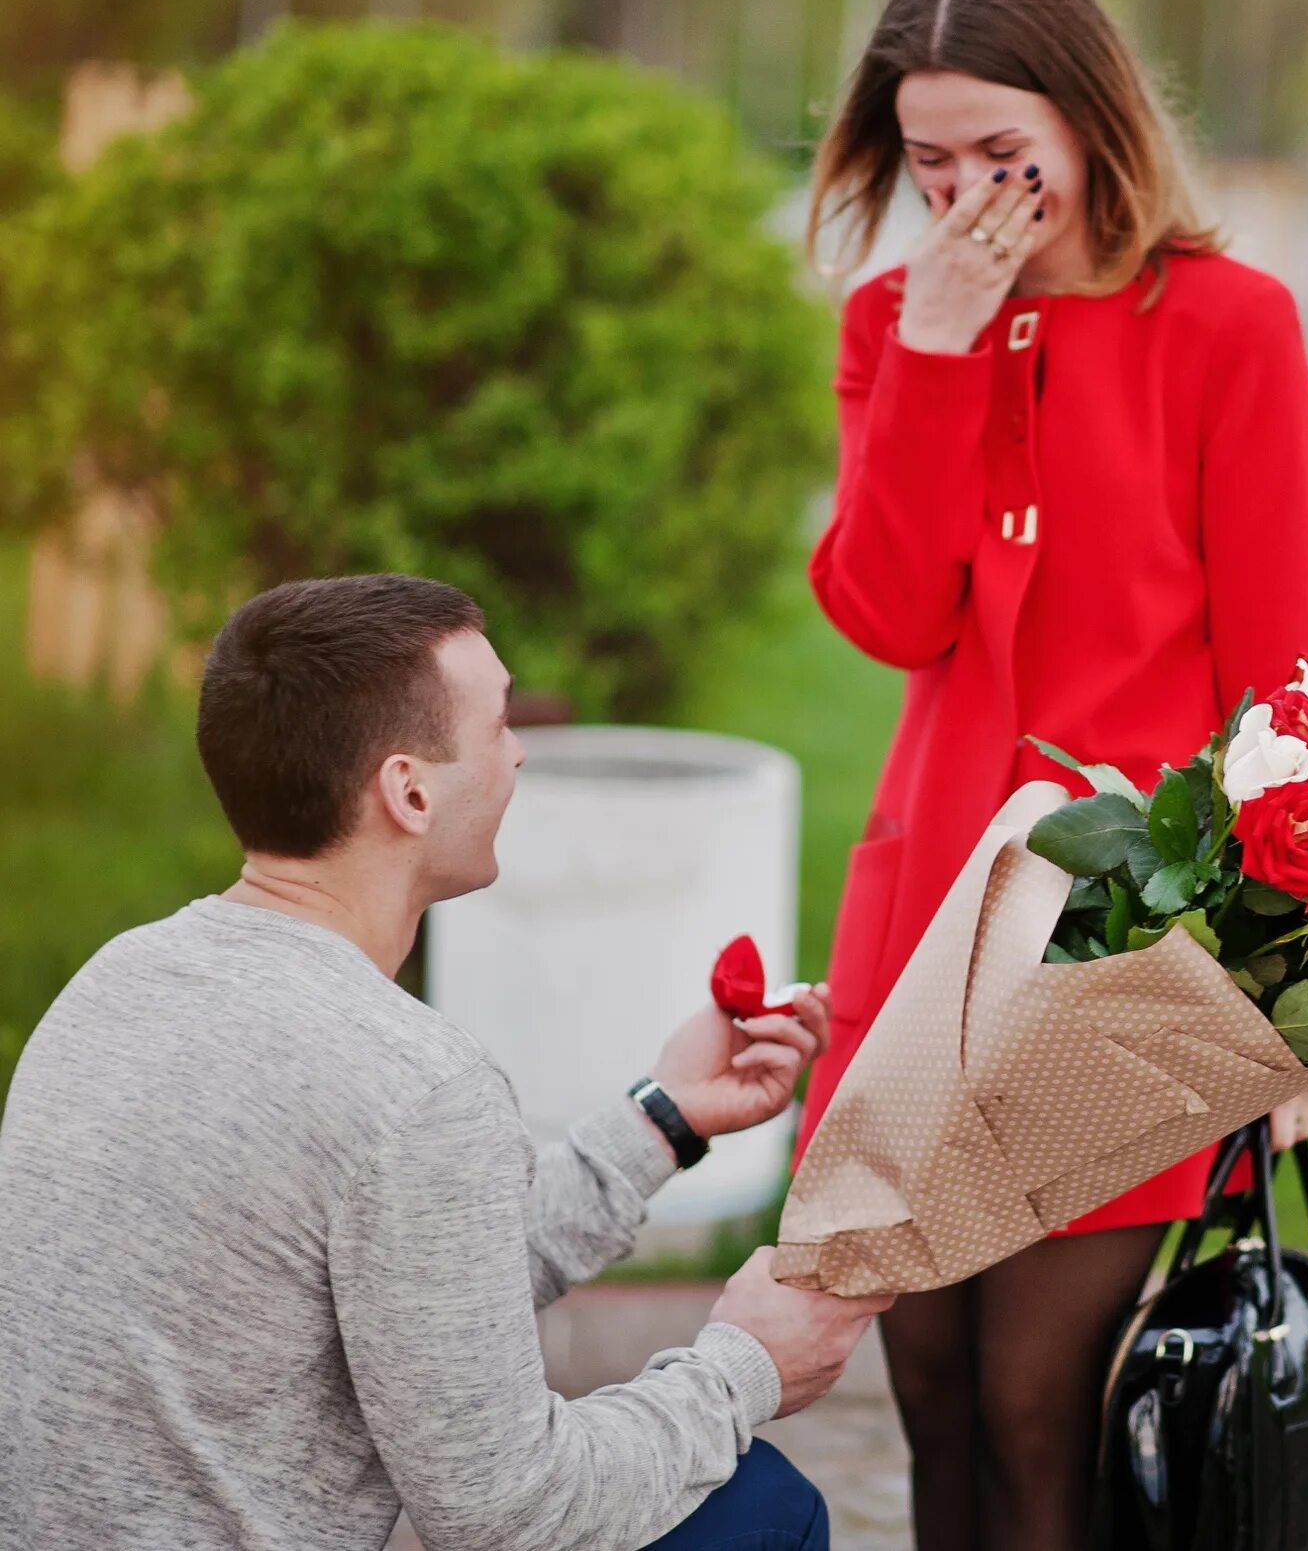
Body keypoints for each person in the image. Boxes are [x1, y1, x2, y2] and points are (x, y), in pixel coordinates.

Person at [797, 0, 1308, 1549]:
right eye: (926, 159)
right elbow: (887, 612)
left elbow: (1292, 672)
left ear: (1088, 123)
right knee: (932, 1404)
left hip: (1130, 940)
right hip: (921, 937)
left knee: (1042, 1406)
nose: (965, 195)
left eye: (1000, 153)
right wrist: (938, 358)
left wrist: (1293, 984)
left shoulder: (1226, 323)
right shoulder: (897, 324)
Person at [0, 573, 890, 1551]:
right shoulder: (409, 1084)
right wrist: (746, 1364)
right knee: (755, 1506)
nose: (516, 755)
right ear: (409, 790)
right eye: (500, 723)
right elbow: (511, 1509)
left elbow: (422, 1297)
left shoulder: (116, 981)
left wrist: (663, 1120)